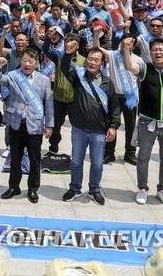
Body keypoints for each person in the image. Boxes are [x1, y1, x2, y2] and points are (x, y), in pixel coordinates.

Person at [59, 45, 120, 206]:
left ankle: (94, 190)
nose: (92, 62)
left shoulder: (108, 83)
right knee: (76, 161)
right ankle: (75, 188)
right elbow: (65, 67)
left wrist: (113, 126)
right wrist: (67, 54)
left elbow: (114, 107)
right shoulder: (78, 77)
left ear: (102, 64)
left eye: (96, 60)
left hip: (99, 131)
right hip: (79, 128)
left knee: (97, 163)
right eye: (90, 59)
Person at [123, 37, 163, 207]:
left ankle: (162, 189)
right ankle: (142, 188)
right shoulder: (145, 69)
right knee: (143, 157)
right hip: (147, 121)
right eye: (154, 49)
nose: (158, 52)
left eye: (161, 49)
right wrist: (126, 50)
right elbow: (129, 66)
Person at [0, 49, 54, 203]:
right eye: (25, 60)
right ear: (21, 61)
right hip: (15, 124)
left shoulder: (44, 80)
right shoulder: (13, 76)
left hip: (35, 124)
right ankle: (14, 187)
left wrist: (50, 125)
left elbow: (49, 104)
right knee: (15, 158)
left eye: (31, 61)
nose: (27, 64)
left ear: (36, 63)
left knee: (34, 159)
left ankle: (33, 189)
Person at [93, 30, 141, 165]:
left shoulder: (138, 60)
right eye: (123, 42)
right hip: (114, 97)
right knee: (111, 124)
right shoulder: (113, 55)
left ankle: (130, 153)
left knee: (131, 126)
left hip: (130, 98)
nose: (125, 44)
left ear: (134, 45)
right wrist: (96, 36)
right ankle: (109, 152)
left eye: (129, 43)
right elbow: (97, 50)